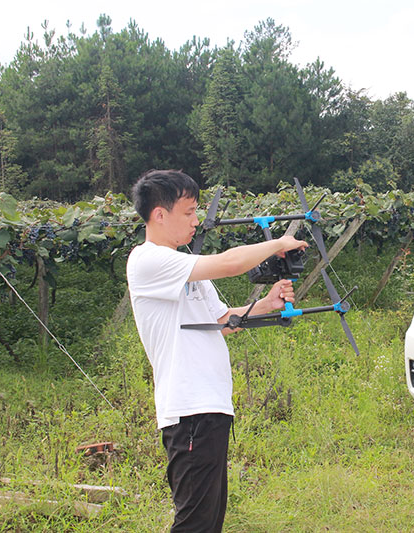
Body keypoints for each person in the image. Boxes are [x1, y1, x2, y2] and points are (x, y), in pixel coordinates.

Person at [126, 169, 307, 532]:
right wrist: (278, 242)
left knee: (208, 521)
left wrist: (267, 303)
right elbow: (229, 263)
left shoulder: (187, 269)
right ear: (159, 215)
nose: (196, 221)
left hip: (211, 408)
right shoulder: (148, 260)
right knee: (194, 523)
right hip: (188, 410)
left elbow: (223, 321)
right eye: (189, 212)